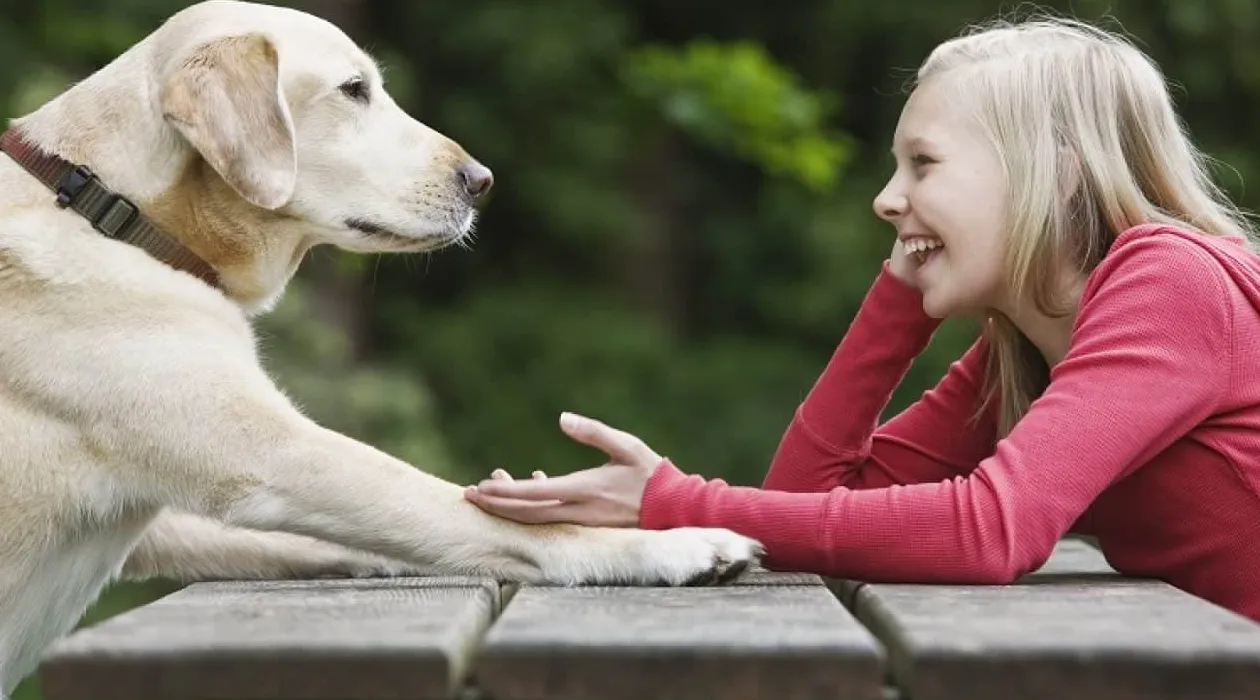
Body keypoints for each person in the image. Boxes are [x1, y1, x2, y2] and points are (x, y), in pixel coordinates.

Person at [462, 15, 1260, 622]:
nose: (886, 198)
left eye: (924, 163)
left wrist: (670, 503)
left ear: (1052, 173)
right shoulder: (1024, 349)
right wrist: (901, 301)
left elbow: (991, 529)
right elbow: (805, 503)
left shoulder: (1170, 281)